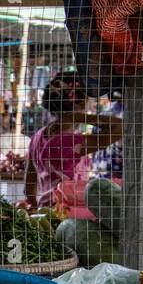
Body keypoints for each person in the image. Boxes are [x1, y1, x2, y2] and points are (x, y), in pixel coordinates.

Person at [23, 73, 123, 207]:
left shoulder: (37, 136)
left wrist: (38, 209)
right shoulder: (69, 141)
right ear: (81, 103)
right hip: (66, 214)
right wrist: (79, 117)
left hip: (46, 212)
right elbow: (122, 127)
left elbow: (29, 188)